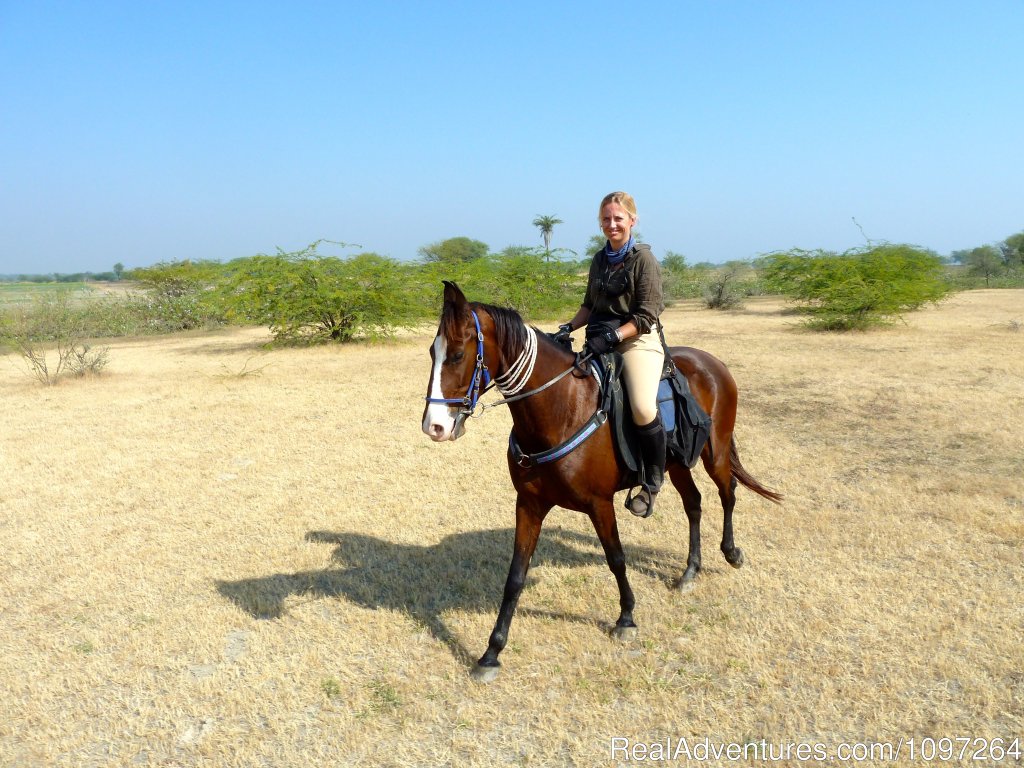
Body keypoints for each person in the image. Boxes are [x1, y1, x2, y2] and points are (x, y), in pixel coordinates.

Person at [554, 191, 666, 517]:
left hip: (636, 341)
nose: (612, 224)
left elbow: (646, 317)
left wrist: (614, 335)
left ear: (633, 220)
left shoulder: (644, 260)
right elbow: (589, 306)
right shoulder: (599, 259)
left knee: (643, 407)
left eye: (618, 218)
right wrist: (568, 328)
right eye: (606, 219)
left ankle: (652, 480)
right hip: (599, 338)